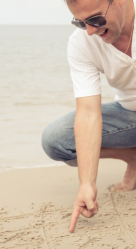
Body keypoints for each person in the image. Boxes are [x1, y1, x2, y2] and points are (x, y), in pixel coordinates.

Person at [42, 0, 136, 233]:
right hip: (129, 115)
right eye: (80, 22)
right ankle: (134, 158)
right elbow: (88, 113)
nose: (91, 31)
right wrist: (87, 183)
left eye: (95, 19)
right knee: (56, 140)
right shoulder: (81, 42)